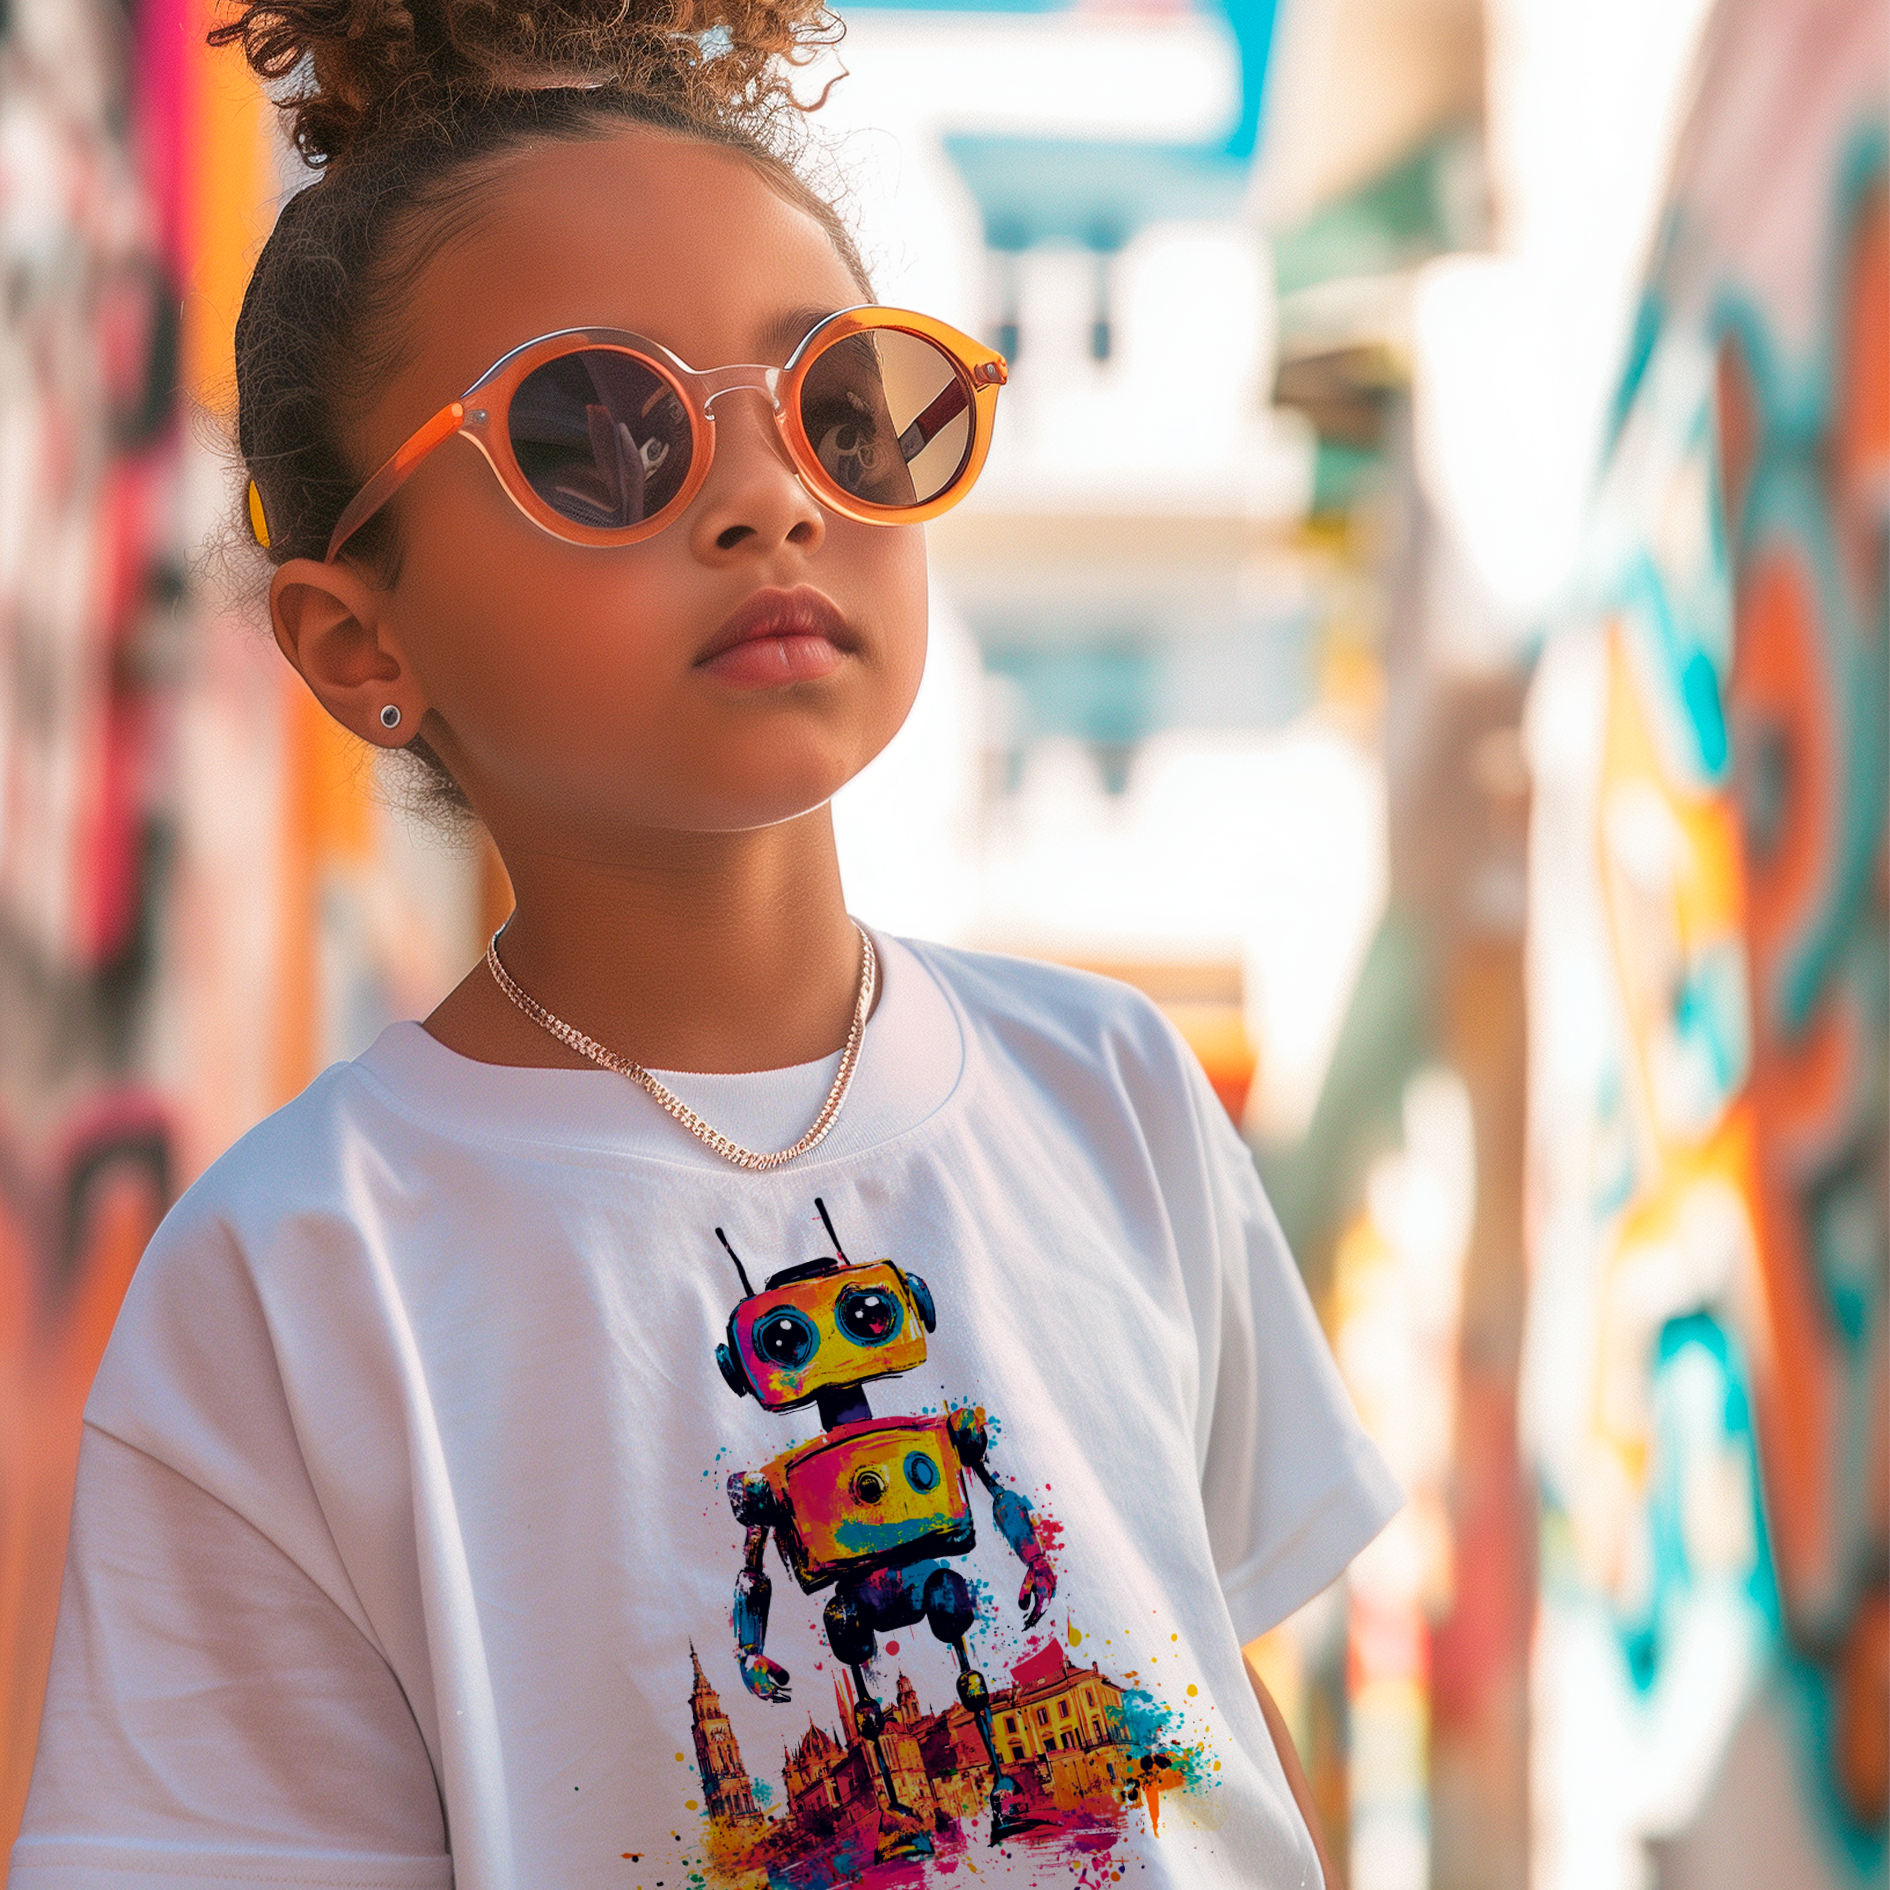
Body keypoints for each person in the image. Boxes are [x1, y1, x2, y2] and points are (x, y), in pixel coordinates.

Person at [12, 0, 1399, 1882]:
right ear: (362, 644)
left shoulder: (1112, 1089)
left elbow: (1217, 1724)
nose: (772, 496)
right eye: (601, 432)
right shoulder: (295, 1280)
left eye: (841, 406)